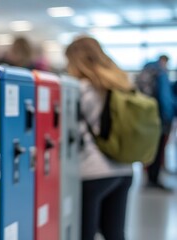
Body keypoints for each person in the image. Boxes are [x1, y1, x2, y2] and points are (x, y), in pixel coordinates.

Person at [65, 37, 133, 240]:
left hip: (93, 171)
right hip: (124, 168)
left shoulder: (81, 88)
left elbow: (69, 130)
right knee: (115, 233)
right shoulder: (121, 83)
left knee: (85, 233)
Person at [137, 55, 175, 190]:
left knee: (150, 148)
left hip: (146, 118)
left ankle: (149, 176)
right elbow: (165, 98)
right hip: (160, 118)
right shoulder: (160, 72)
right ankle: (154, 179)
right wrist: (168, 117)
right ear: (164, 61)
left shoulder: (146, 71)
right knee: (159, 150)